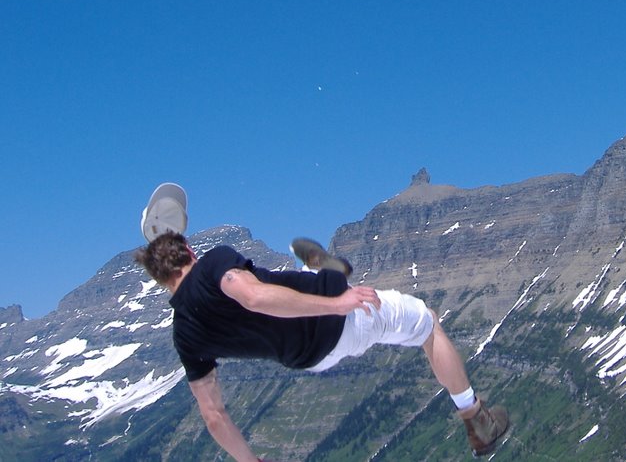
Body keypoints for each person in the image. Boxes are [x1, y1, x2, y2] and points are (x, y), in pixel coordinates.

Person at [134, 184, 509, 461]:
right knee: (428, 324)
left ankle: (316, 268)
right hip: (335, 318)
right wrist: (338, 303)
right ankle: (478, 422)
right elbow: (252, 296)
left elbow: (213, 415)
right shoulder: (214, 265)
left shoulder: (184, 335)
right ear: (190, 252)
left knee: (305, 280)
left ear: (160, 279)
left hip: (310, 358)